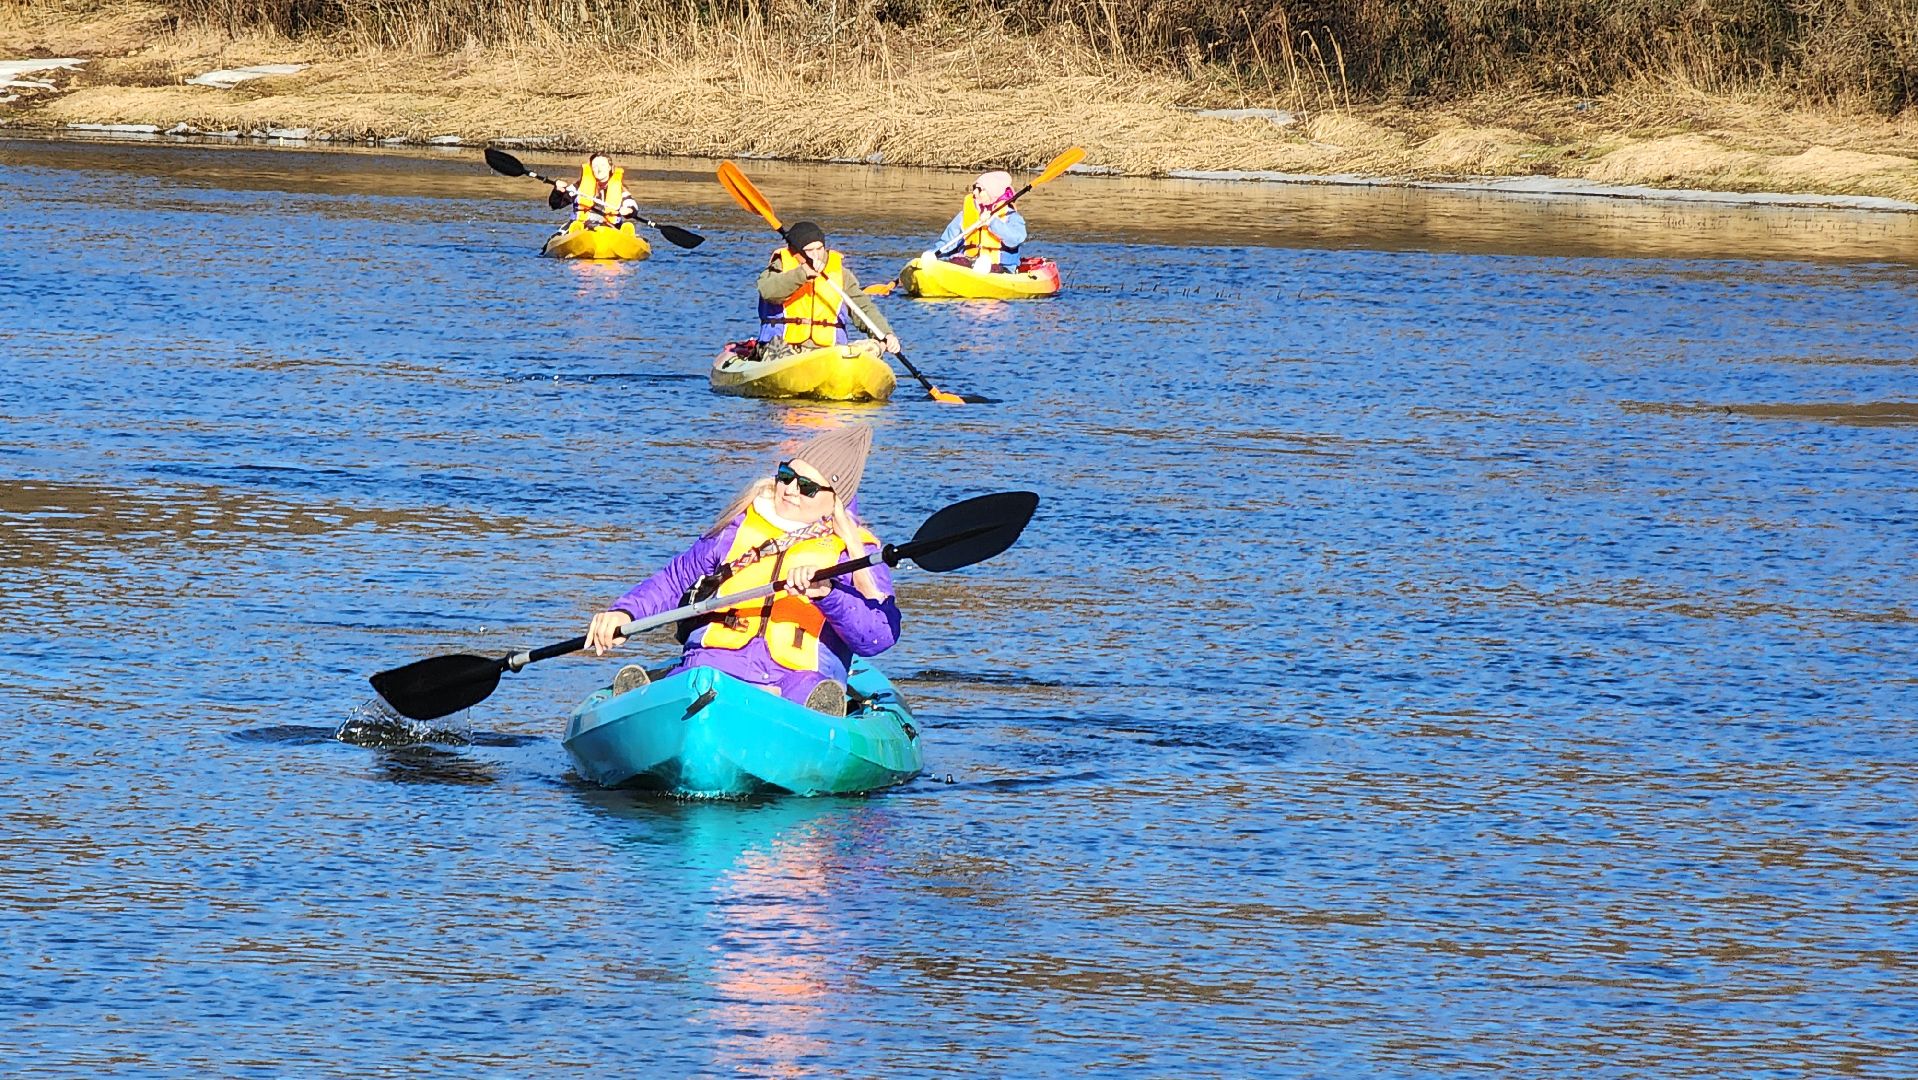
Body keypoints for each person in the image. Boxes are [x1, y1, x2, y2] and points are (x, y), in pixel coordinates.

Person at [582, 424, 899, 717]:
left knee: (805, 693)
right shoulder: (734, 531)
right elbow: (673, 581)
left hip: (797, 679)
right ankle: (644, 707)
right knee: (695, 678)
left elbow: (878, 636)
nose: (789, 489)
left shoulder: (856, 554)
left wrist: (827, 594)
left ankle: (819, 717)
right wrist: (625, 614)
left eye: (806, 487)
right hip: (714, 663)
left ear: (835, 501)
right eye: (786, 475)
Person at [753, 220, 901, 361]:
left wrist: (886, 334)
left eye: (819, 249)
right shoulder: (779, 267)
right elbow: (768, 292)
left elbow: (863, 308)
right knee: (777, 352)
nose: (816, 255)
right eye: (809, 250)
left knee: (875, 345)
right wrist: (801, 273)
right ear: (796, 252)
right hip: (784, 348)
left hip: (828, 351)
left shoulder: (840, 274)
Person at [928, 170, 1028, 273]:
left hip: (1000, 266)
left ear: (992, 192)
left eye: (979, 189)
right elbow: (947, 242)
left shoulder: (1011, 216)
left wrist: (992, 222)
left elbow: (1016, 239)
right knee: (957, 260)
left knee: (986, 266)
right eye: (974, 188)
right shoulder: (965, 214)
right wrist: (932, 255)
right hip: (969, 262)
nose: (974, 192)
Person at [547, 152, 640, 231]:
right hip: (581, 226)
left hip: (609, 228)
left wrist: (629, 210)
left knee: (627, 227)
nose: (599, 169)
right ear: (591, 169)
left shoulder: (620, 189)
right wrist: (558, 191)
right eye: (595, 166)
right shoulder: (577, 188)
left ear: (610, 167)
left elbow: (631, 204)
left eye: (603, 165)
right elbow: (555, 204)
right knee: (574, 227)